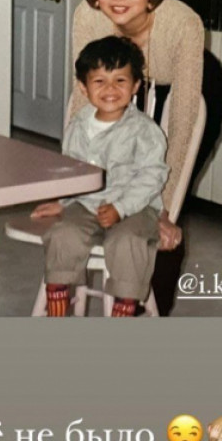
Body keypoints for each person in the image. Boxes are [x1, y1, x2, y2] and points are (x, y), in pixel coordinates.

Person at [69, 0, 212, 315]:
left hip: (188, 86)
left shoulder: (183, 24)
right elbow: (82, 100)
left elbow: (183, 116)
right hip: (121, 82)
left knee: (164, 206)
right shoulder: (88, 17)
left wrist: (164, 206)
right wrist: (70, 182)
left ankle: (147, 308)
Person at [31, 36, 169, 317]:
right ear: (84, 87)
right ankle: (57, 312)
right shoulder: (78, 124)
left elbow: (152, 176)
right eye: (99, 81)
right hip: (86, 203)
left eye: (120, 80)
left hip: (135, 206)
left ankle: (124, 308)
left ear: (135, 85)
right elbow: (71, 169)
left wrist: (121, 208)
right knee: (62, 234)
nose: (110, 89)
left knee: (127, 242)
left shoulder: (144, 130)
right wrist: (65, 202)